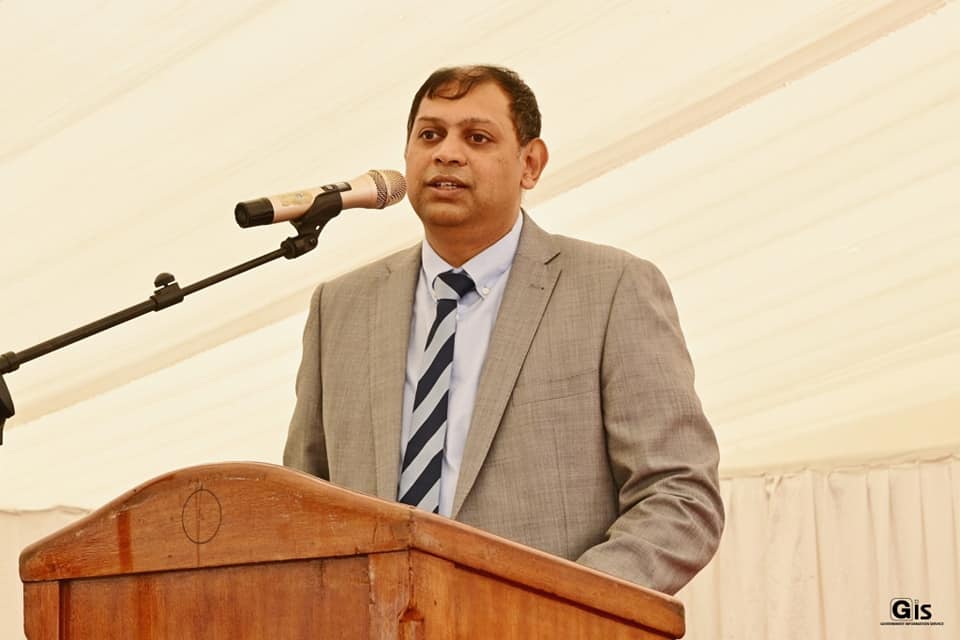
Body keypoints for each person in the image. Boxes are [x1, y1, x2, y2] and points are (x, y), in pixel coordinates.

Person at [284, 65, 724, 595]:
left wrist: (566, 610)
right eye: (430, 135)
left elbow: (680, 496)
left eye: (477, 137)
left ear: (530, 164)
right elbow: (301, 505)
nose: (447, 153)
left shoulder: (611, 288)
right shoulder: (340, 307)